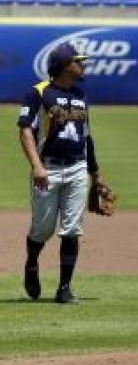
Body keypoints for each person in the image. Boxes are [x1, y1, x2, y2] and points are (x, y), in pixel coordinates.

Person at [18, 42, 104, 304]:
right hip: (48, 169)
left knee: (72, 229)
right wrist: (36, 166)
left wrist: (95, 173)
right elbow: (25, 131)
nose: (83, 64)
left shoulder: (80, 95)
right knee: (42, 230)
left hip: (77, 167)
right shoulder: (39, 93)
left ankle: (64, 288)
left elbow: (86, 137)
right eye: (78, 61)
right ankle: (32, 262)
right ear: (65, 66)